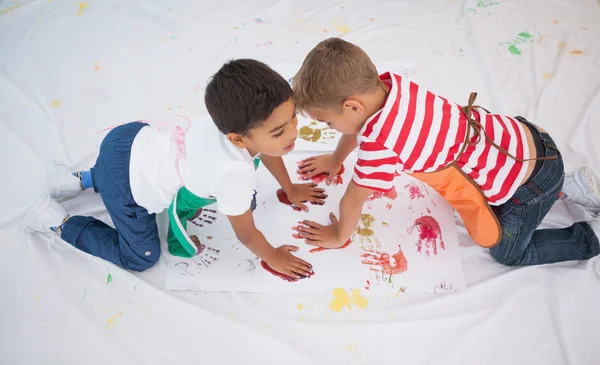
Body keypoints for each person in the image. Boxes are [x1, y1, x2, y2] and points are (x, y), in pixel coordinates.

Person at [291, 37, 600, 266]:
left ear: (352, 106)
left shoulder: (381, 143)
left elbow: (353, 199)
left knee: (508, 253)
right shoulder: (392, 86)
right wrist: (335, 159)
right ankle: (571, 186)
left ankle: (591, 237)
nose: (330, 127)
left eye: (327, 121)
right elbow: (355, 126)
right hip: (528, 138)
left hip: (530, 185)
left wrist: (338, 236)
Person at [24, 59, 325, 277]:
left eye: (293, 119)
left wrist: (290, 188)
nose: (293, 134)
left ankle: (79, 180)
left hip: (127, 139)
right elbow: (246, 235)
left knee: (120, 169)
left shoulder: (232, 120)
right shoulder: (234, 176)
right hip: (126, 185)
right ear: (238, 138)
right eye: (279, 132)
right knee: (141, 258)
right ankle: (59, 223)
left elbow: (267, 152)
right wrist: (273, 256)